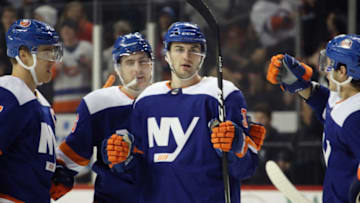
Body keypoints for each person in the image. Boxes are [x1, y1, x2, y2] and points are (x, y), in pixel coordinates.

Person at [103, 22, 266, 203]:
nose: (186, 56)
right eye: (179, 49)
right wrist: (123, 160)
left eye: (193, 49)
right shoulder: (146, 99)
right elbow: (137, 173)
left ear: (202, 55)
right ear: (166, 54)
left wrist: (238, 145)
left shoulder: (223, 94)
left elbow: (247, 169)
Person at [56, 32, 153, 202]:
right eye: (129, 62)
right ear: (118, 67)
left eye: (143, 61)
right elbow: (74, 152)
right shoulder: (97, 104)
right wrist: (55, 175)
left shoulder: (169, 101)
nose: (137, 69)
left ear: (151, 65)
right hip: (111, 197)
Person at [266, 34, 360, 202]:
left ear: (343, 71)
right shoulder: (341, 96)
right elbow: (328, 107)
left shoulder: (355, 118)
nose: (325, 69)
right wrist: (302, 85)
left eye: (330, 64)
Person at [0, 19, 65, 202]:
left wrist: (56, 174)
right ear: (24, 55)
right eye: (46, 52)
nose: (53, 60)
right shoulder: (8, 94)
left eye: (54, 51)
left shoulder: (43, 105)